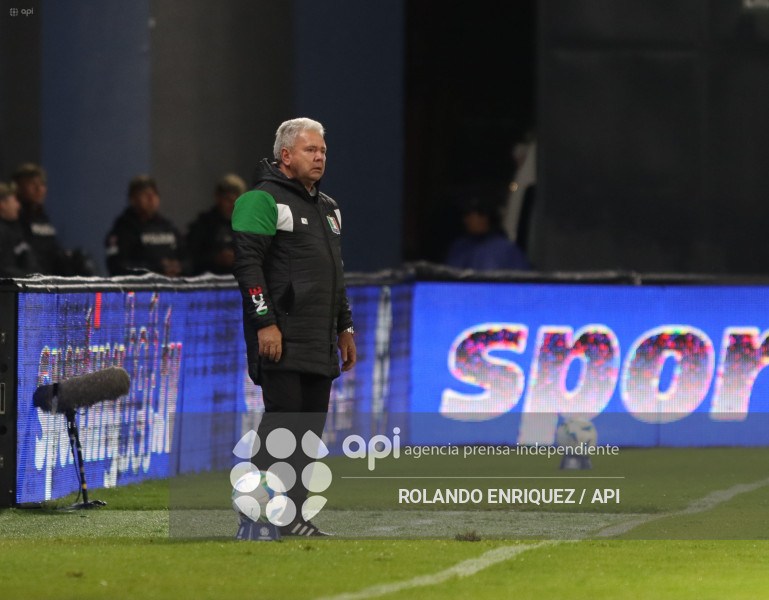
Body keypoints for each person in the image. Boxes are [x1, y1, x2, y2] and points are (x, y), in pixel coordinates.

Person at [232, 117, 356, 536]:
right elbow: (248, 268)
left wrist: (345, 327)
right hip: (281, 337)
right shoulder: (260, 201)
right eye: (310, 150)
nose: (320, 156)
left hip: (319, 340)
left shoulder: (329, 207)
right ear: (286, 156)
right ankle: (251, 512)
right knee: (282, 426)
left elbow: (334, 274)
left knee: (308, 434)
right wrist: (265, 323)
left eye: (322, 150)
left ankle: (293, 517)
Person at [11, 162, 92, 275]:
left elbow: (54, 253)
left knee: (81, 258)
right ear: (18, 188)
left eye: (42, 184)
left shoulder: (42, 216)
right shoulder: (13, 217)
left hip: (50, 279)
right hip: (29, 281)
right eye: (32, 184)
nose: (39, 189)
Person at [105, 175, 187, 277]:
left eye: (154, 194)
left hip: (171, 289)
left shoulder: (168, 227)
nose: (151, 198)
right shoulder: (123, 229)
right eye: (145, 194)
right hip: (139, 290)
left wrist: (179, 267)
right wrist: (156, 269)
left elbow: (188, 259)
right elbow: (117, 266)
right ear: (133, 199)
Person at [446, 191, 531, 271]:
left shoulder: (506, 249)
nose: (466, 220)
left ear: (485, 217)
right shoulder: (459, 247)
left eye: (470, 215)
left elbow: (524, 282)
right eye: (465, 215)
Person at [186, 173, 246, 275]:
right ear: (218, 198)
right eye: (228, 200)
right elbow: (189, 258)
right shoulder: (203, 225)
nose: (232, 205)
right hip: (210, 284)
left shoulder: (249, 225)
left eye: (237, 200)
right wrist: (216, 259)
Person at [0, 181, 39, 277]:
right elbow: (4, 270)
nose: (18, 205)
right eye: (15, 201)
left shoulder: (16, 228)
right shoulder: (2, 232)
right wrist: (30, 277)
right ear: (3, 204)